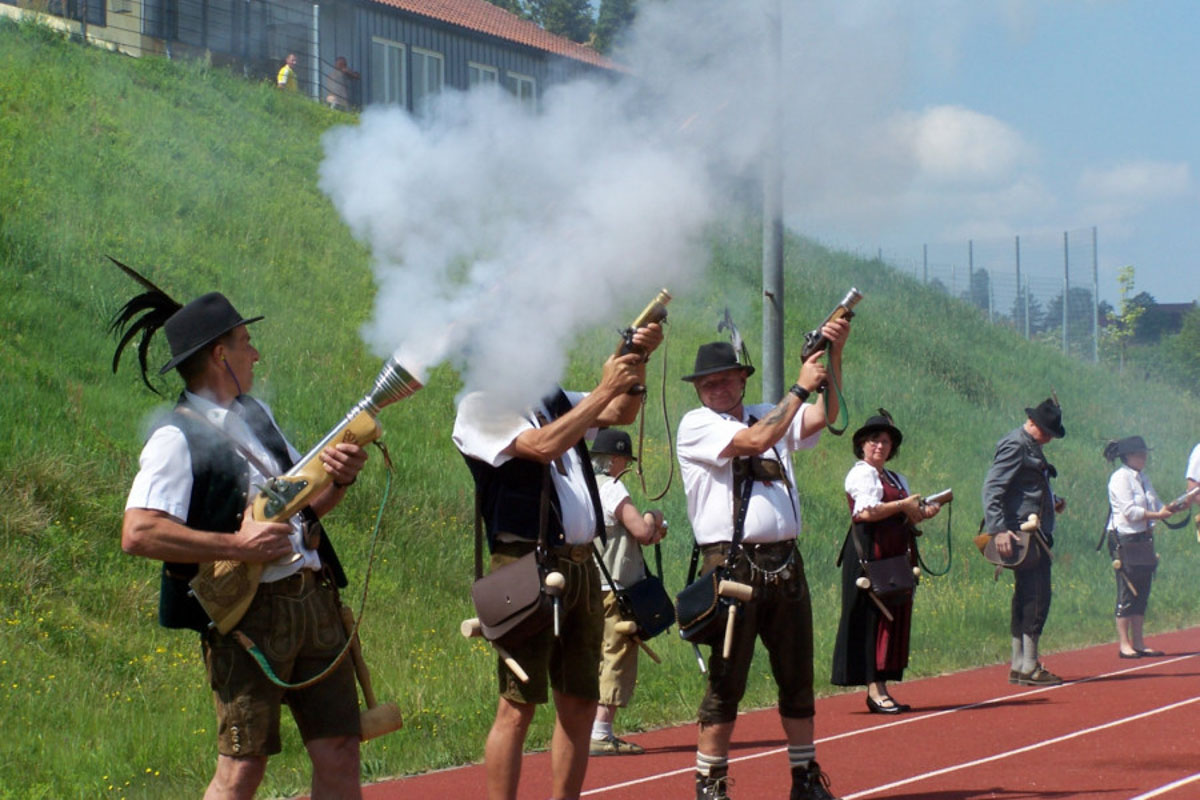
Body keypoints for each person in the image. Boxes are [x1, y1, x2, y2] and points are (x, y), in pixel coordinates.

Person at [115, 290, 369, 799]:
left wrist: (339, 479)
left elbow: (305, 511)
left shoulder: (256, 415)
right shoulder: (174, 437)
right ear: (220, 355)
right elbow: (138, 532)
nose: (255, 354)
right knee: (242, 769)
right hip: (248, 619)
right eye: (246, 342)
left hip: (313, 601)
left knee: (341, 749)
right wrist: (237, 545)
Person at [452, 322, 662, 800]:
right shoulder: (479, 406)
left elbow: (620, 411)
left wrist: (635, 360)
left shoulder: (550, 398)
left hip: (581, 564)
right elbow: (544, 445)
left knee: (581, 701)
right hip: (524, 564)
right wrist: (607, 385)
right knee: (517, 706)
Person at [676, 320, 849, 800]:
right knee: (725, 681)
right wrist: (800, 386)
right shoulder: (697, 425)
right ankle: (711, 786)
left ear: (742, 379)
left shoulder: (766, 413)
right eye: (707, 383)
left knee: (797, 675)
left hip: (785, 562)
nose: (716, 388)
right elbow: (754, 441)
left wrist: (833, 358)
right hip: (731, 567)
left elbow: (827, 414)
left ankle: (805, 778)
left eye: (724, 379)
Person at [831, 410, 940, 714]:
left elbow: (905, 515)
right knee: (871, 620)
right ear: (863, 445)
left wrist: (923, 512)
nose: (880, 446)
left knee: (890, 620)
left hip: (893, 555)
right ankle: (873, 689)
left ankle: (881, 687)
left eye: (886, 442)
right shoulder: (860, 474)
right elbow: (866, 512)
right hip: (869, 554)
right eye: (874, 440)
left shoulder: (896, 478)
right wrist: (903, 505)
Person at [588, 428, 666, 757]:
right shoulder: (613, 489)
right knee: (616, 654)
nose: (628, 467)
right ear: (615, 460)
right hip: (616, 586)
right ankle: (601, 732)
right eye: (625, 460)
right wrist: (653, 517)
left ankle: (586, 728)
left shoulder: (584, 487)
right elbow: (643, 532)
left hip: (588, 584)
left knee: (593, 655)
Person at [981, 397, 1067, 687]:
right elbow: (993, 488)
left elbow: (1025, 488)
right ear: (1031, 422)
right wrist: (998, 530)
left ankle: (1020, 664)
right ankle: (1029, 665)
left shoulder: (1030, 445)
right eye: (1046, 431)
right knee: (1036, 596)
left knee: (1028, 595)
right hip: (1024, 534)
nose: (1049, 438)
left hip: (1033, 533)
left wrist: (1052, 502)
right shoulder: (1016, 444)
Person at [1105, 436, 1175, 658]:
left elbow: (1155, 502)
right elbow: (1130, 512)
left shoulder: (1143, 477)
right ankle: (1124, 644)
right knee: (1127, 590)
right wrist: (1157, 515)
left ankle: (1138, 641)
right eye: (1139, 453)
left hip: (1143, 538)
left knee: (1142, 590)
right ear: (1127, 456)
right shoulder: (1120, 478)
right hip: (1124, 538)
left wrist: (1170, 508)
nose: (1144, 457)